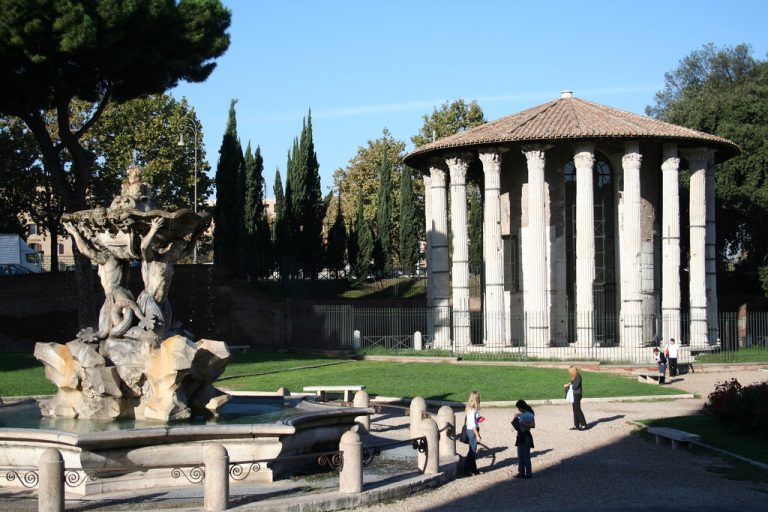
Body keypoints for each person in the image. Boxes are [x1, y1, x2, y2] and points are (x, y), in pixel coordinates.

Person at [512, 399, 535, 479]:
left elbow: (533, 425)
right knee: (520, 456)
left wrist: (523, 423)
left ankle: (528, 473)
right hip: (520, 435)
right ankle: (521, 472)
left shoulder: (529, 415)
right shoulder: (523, 414)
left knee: (526, 456)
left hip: (526, 435)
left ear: (521, 407)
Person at [463, 390, 482, 476]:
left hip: (470, 429)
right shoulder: (473, 410)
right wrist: (477, 435)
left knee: (472, 450)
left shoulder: (469, 408)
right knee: (472, 451)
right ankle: (468, 469)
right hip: (472, 430)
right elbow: (473, 425)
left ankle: (474, 469)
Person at [564, 366, 588, 430]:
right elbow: (572, 383)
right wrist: (568, 384)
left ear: (573, 371)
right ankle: (576, 425)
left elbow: (575, 386)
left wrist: (570, 385)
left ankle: (584, 425)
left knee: (578, 409)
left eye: (570, 371)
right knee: (575, 410)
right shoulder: (574, 377)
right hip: (573, 395)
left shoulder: (578, 377)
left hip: (577, 394)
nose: (569, 373)